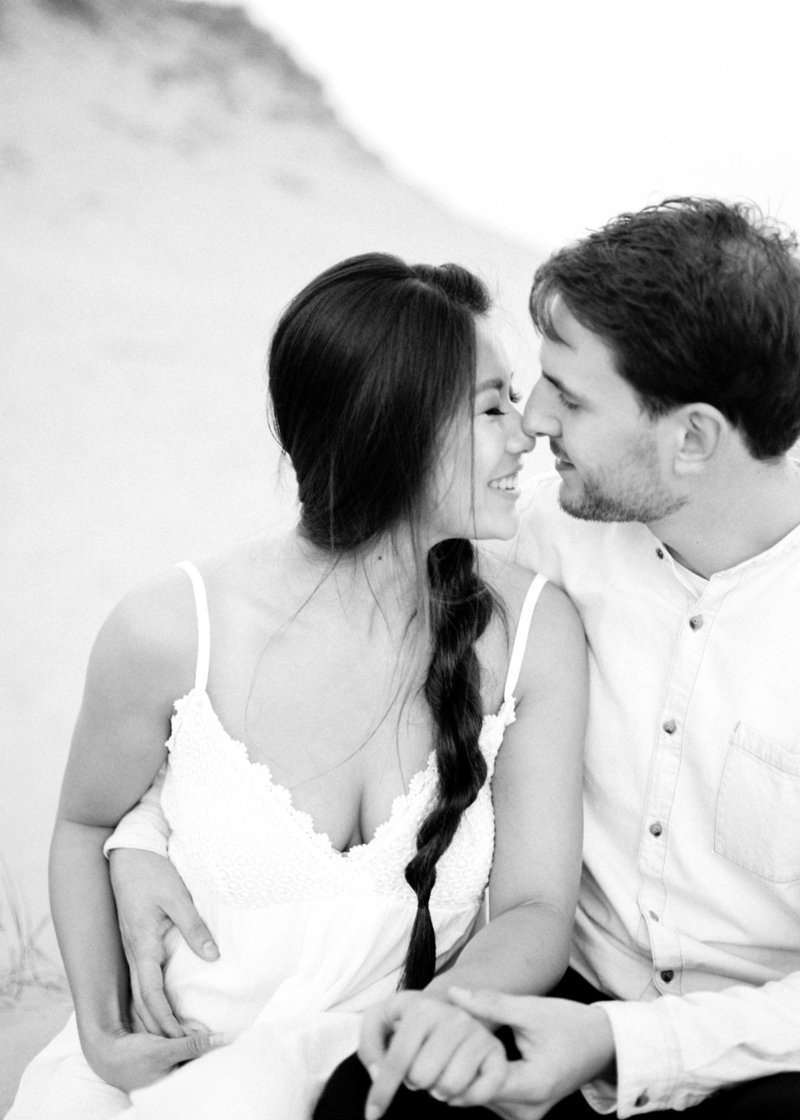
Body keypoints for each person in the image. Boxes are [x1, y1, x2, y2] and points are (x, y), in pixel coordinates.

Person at [8, 253, 587, 1120]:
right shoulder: (173, 628)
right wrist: (100, 1032)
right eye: (493, 404)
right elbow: (84, 824)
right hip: (161, 1083)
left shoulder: (534, 632)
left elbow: (538, 906)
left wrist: (437, 1017)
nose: (525, 433)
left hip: (374, 1085)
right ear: (396, 427)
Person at [314, 197, 800, 1119]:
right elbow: (315, 617)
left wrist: (623, 1045)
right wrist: (141, 832)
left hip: (758, 1059)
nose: (533, 420)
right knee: (364, 1097)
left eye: (570, 397)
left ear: (692, 438)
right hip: (552, 995)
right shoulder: (545, 537)